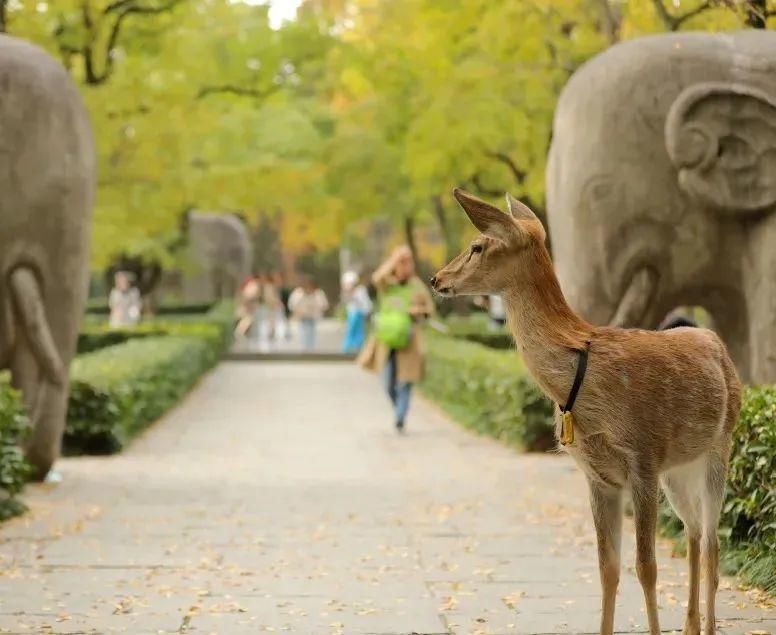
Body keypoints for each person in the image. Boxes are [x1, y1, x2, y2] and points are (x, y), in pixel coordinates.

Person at [358, 245, 435, 432]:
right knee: (387, 382)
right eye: (402, 262)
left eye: (407, 262)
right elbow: (376, 278)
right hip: (386, 339)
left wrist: (418, 312)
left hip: (409, 340)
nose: (405, 266)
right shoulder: (388, 284)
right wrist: (394, 259)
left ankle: (400, 416)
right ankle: (399, 409)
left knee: (405, 381)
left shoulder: (417, 285)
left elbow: (430, 310)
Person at [289, 277, 329, 351]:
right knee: (303, 333)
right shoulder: (298, 293)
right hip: (302, 317)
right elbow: (292, 305)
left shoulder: (318, 293)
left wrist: (315, 307)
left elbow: (324, 305)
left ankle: (311, 350)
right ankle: (304, 350)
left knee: (312, 334)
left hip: (313, 317)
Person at [341, 271, 372, 353]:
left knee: (358, 331)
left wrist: (367, 312)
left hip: (359, 313)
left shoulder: (360, 290)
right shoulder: (348, 293)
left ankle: (357, 348)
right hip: (352, 313)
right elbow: (346, 302)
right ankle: (347, 349)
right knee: (351, 330)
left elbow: (365, 302)